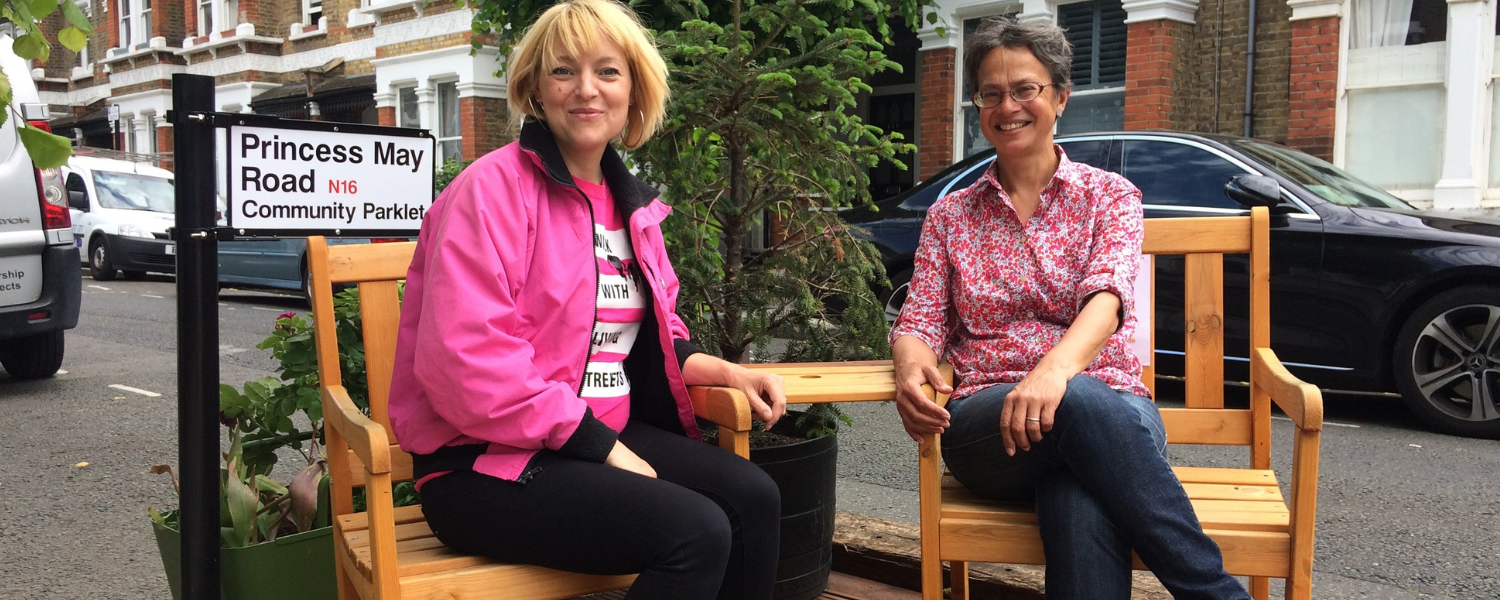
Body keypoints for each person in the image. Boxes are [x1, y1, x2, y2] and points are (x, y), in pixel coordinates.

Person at [386, 2, 787, 598]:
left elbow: (656, 333)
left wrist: (724, 369)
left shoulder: (633, 207)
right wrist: (600, 449)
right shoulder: (489, 191)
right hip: (481, 463)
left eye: (608, 71)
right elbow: (465, 362)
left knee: (754, 497)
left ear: (634, 89)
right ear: (535, 89)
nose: (586, 90)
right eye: (563, 71)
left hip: (593, 435)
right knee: (695, 531)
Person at [888, 17, 1251, 600]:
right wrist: (910, 367)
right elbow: (920, 319)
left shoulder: (1110, 196)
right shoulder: (951, 215)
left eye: (1025, 88)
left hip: (1108, 411)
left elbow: (1108, 298)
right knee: (1080, 408)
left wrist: (1052, 374)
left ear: (1059, 96)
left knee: (1078, 493)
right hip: (990, 426)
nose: (1008, 106)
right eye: (991, 93)